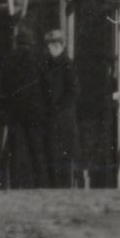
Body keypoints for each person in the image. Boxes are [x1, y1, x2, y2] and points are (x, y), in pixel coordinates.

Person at [1, 19, 48, 189]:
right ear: (32, 42)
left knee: (16, 150)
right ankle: (40, 185)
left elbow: (3, 87)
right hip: (35, 111)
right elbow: (45, 86)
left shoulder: (9, 59)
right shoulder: (38, 60)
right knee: (37, 150)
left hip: (15, 112)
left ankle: (15, 185)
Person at [42, 26, 82, 189]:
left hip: (64, 121)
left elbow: (74, 91)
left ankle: (64, 191)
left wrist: (59, 107)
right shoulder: (47, 65)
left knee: (64, 161)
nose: (49, 47)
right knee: (52, 157)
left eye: (53, 44)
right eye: (48, 44)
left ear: (60, 45)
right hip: (51, 120)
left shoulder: (67, 65)